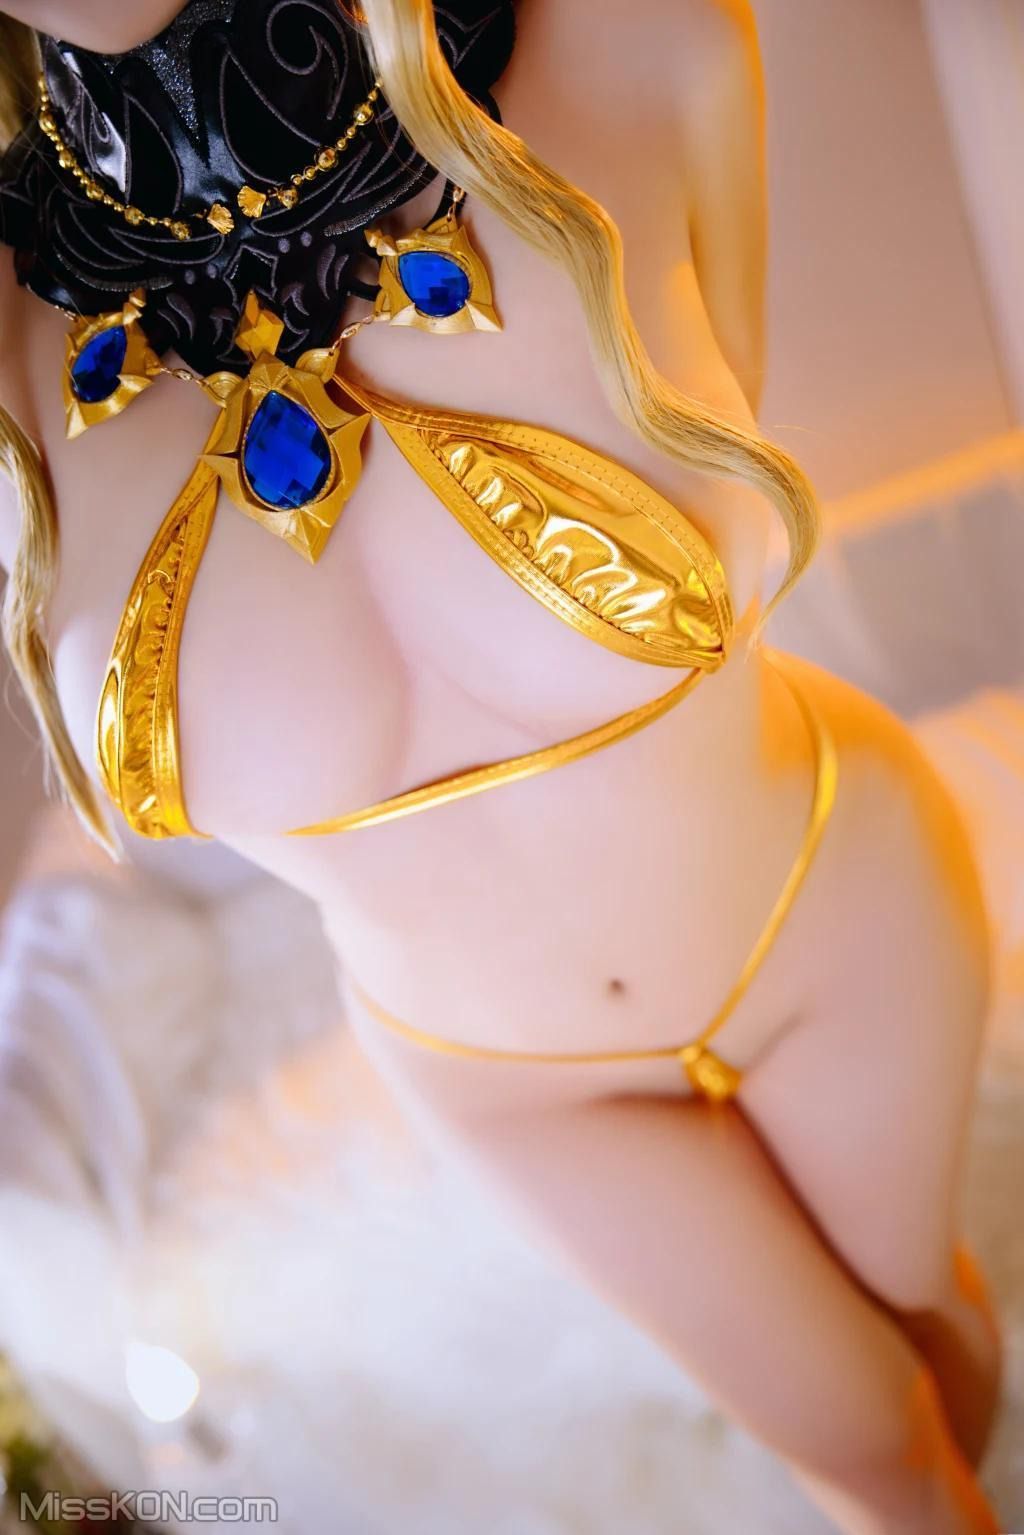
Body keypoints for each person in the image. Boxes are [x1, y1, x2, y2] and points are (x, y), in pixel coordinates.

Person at [0, 2, 1003, 1528]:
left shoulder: (615, 33)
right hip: (516, 1086)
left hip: (825, 905)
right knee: (872, 1445)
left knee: (925, 1355)